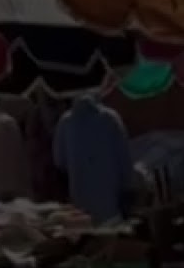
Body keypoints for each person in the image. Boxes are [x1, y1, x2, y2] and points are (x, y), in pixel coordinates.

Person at [54, 94, 133, 223]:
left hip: (81, 204)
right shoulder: (110, 118)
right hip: (111, 202)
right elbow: (125, 158)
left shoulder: (65, 122)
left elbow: (59, 161)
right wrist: (128, 189)